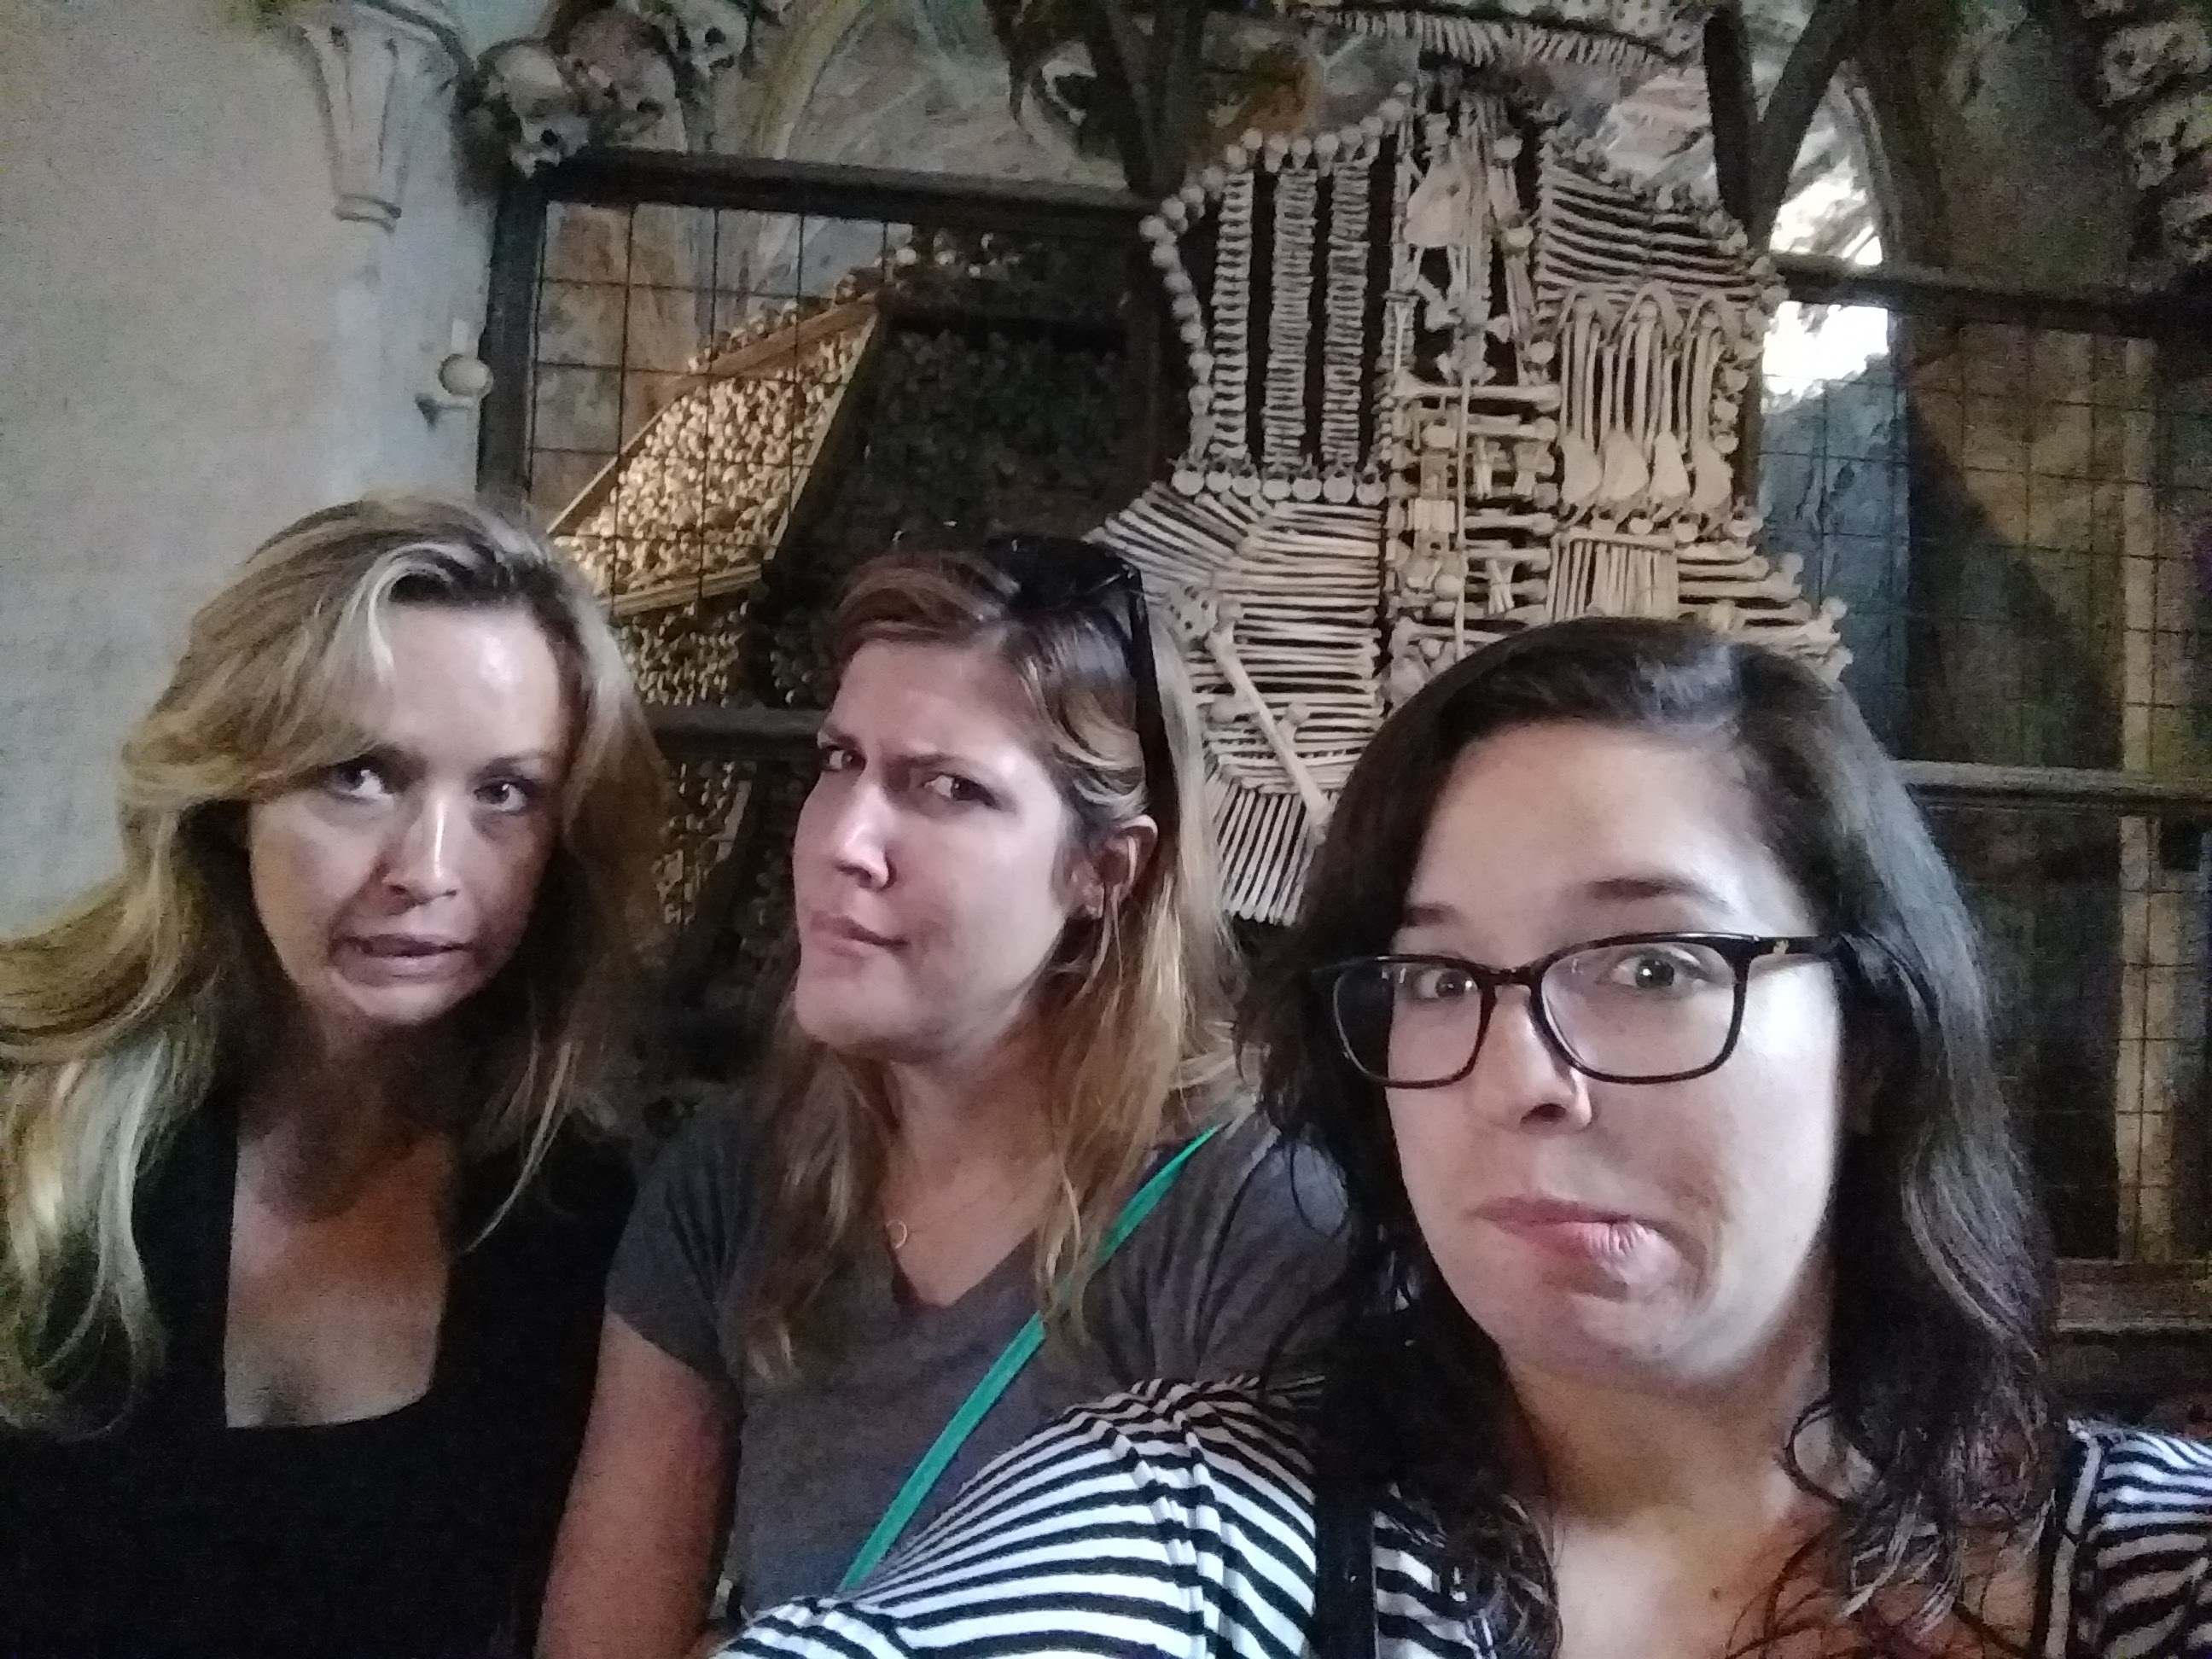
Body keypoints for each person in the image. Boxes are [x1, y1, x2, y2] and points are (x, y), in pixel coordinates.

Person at [709, 617, 2212, 1659]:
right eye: (1436, 980)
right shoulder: (1216, 1525)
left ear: (1869, 1041)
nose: (1519, 1077)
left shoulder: (2133, 1567)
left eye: (1652, 967)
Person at [541, 537, 1345, 1657]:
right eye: (839, 762)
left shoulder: (1253, 1223)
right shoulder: (739, 1180)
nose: (845, 843)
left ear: (1104, 870)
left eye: (947, 788)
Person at [0, 497, 665, 1657]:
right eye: (360, 775)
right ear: (230, 801)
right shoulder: (26, 1109)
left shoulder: (584, 1216)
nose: (430, 870)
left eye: (506, 793)